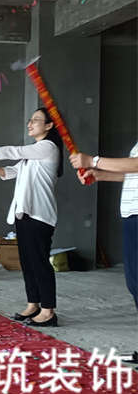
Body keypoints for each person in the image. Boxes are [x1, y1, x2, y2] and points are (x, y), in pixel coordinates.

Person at [0, 107, 63, 327]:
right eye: (30, 120)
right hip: (24, 214)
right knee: (28, 262)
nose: (30, 124)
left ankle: (48, 311)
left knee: (39, 262)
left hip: (40, 215)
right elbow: (13, 171)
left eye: (36, 120)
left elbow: (15, 151)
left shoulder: (48, 147)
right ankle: (33, 304)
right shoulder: (33, 154)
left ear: (49, 125)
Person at [70, 144, 138, 362]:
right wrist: (101, 175)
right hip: (131, 214)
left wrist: (93, 161)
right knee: (135, 284)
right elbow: (132, 172)